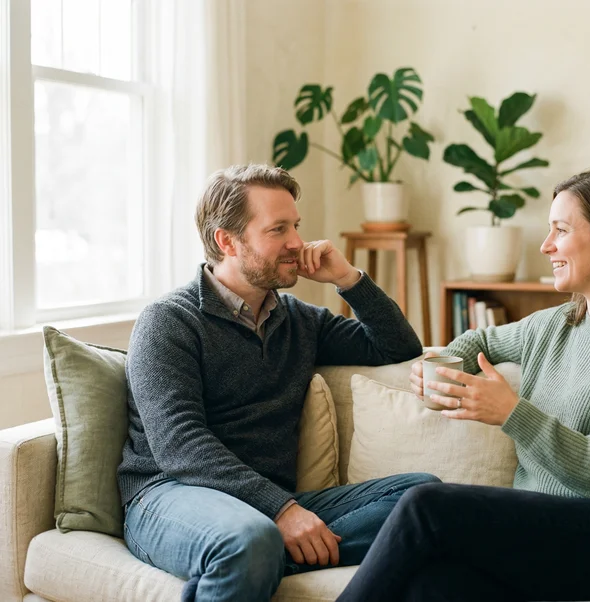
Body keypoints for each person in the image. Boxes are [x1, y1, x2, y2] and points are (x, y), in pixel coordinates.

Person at [337, 167, 590, 602]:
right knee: (433, 587)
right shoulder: (554, 325)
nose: (545, 245)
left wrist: (513, 413)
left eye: (561, 230)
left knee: (425, 506)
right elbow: (479, 340)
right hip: (558, 528)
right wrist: (442, 371)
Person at [118, 164, 439, 602]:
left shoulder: (299, 320)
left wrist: (348, 279)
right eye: (278, 229)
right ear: (226, 241)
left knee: (423, 499)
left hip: (266, 505)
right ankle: (251, 555)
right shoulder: (168, 322)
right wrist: (283, 511)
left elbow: (398, 348)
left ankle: (247, 566)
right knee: (250, 539)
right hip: (171, 495)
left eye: (297, 226)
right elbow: (180, 446)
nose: (296, 243)